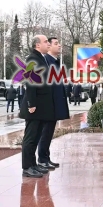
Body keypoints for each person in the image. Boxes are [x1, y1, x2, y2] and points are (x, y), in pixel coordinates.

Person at [19, 34, 55, 177]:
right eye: (46, 42)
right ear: (37, 45)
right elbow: (30, 82)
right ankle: (27, 167)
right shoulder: (32, 58)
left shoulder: (41, 58)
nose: (48, 44)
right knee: (30, 137)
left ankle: (33, 164)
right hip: (34, 106)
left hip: (41, 107)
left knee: (36, 137)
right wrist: (31, 103)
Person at [37, 36, 70, 170]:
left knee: (49, 132)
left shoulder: (54, 62)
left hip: (55, 103)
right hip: (49, 104)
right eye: (56, 43)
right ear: (49, 46)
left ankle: (46, 158)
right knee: (45, 133)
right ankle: (42, 159)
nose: (59, 45)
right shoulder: (46, 61)